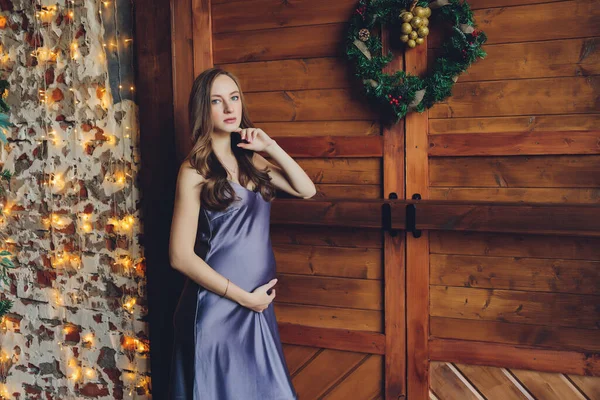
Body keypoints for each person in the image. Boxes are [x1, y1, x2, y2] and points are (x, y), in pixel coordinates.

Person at [168, 67, 316, 399]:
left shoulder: (253, 162)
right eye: (217, 101)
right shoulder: (193, 171)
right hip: (217, 309)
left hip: (257, 305)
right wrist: (242, 297)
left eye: (233, 98)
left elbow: (306, 190)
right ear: (203, 110)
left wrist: (270, 146)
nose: (229, 108)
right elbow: (179, 257)